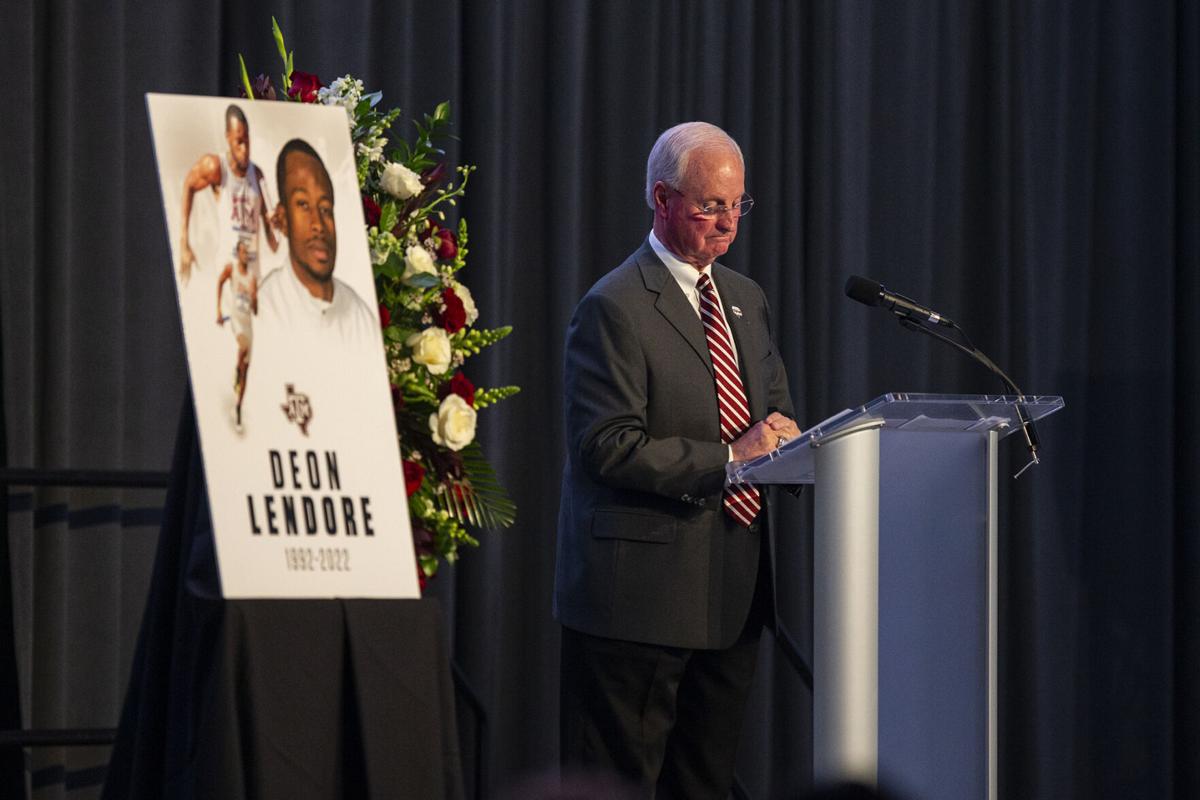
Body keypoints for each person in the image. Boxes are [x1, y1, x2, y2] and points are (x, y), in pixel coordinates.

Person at [555, 121, 802, 799]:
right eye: (710, 206)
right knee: (621, 784)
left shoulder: (747, 300)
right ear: (662, 200)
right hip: (638, 599)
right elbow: (606, 444)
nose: (727, 224)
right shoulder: (614, 307)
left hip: (732, 591)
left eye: (737, 206)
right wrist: (729, 457)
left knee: (705, 784)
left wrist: (790, 439)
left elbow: (773, 411)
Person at [256, 138, 377, 351]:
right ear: (283, 219)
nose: (318, 225)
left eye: (325, 209)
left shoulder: (358, 314)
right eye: (303, 204)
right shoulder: (266, 308)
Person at [178, 104, 278, 285]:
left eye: (247, 141)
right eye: (239, 142)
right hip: (228, 275)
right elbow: (189, 185)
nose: (245, 149)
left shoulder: (257, 174)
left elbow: (274, 244)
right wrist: (184, 242)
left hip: (254, 278)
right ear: (228, 138)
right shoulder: (216, 166)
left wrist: (278, 225)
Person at [216, 237, 257, 432]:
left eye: (247, 252)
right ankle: (236, 371)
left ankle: (239, 405)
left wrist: (254, 297)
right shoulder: (231, 268)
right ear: (237, 253)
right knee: (242, 348)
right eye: (242, 252)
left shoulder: (251, 278)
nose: (245, 255)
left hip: (248, 323)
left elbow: (255, 310)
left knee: (247, 368)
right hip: (237, 320)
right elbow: (220, 283)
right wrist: (218, 310)